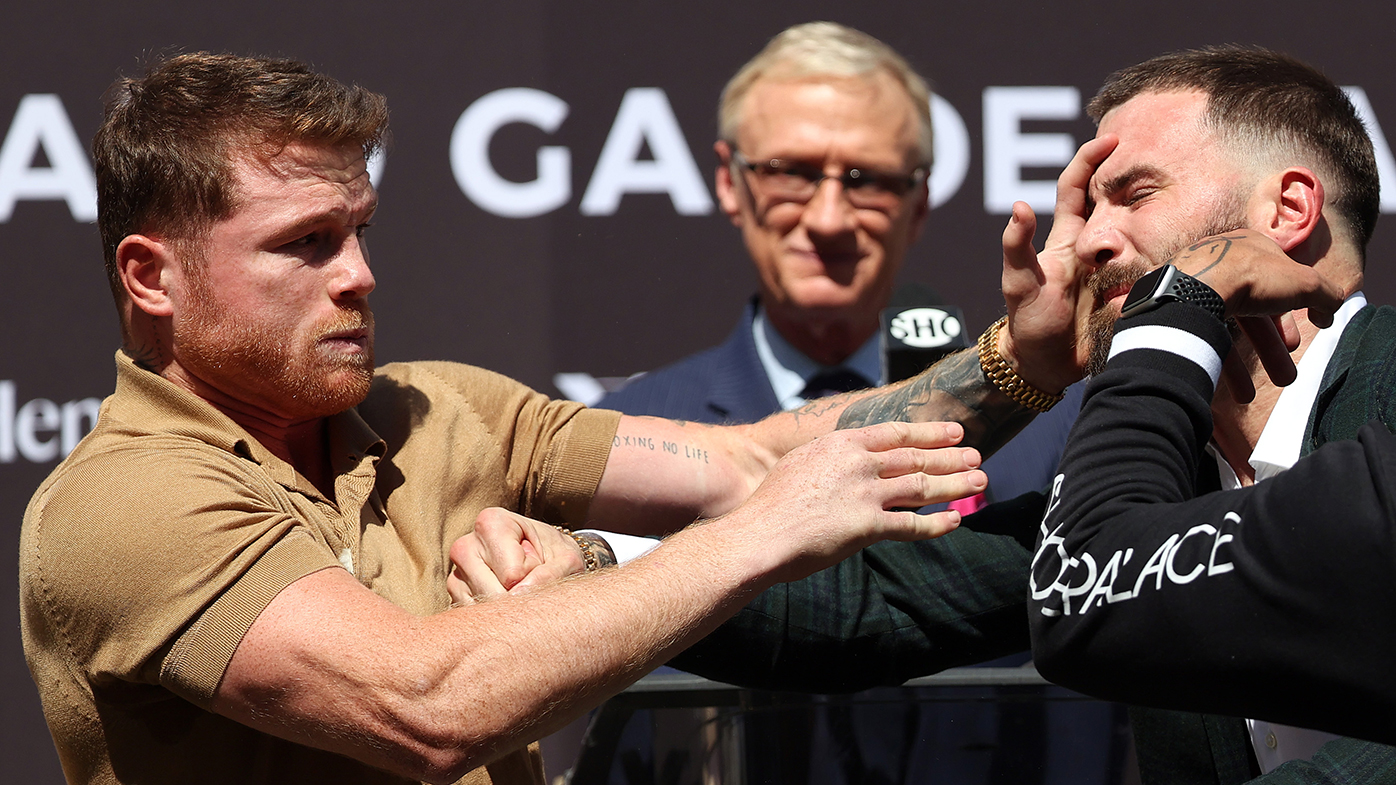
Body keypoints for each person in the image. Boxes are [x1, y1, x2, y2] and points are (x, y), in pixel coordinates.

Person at [18, 52, 1085, 785]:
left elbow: (754, 459)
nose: (359, 275)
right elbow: (423, 706)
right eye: (306, 243)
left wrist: (1019, 361)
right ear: (151, 276)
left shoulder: (436, 405)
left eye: (360, 230)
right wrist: (759, 533)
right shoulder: (125, 499)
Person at [464, 46, 1396, 782]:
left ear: (1288, 209)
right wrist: (594, 567)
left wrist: (1169, 320)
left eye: (1135, 194)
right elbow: (873, 603)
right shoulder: (1156, 478)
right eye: (1087, 204)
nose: (1089, 241)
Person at [593, 22, 1088, 783]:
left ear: (919, 202)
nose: (827, 218)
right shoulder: (634, 432)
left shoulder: (1049, 417)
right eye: (789, 172)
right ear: (729, 182)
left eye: (867, 179)